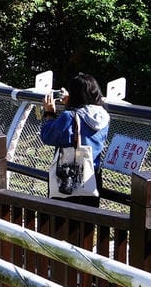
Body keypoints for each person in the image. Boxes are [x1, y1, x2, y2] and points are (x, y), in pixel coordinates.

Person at [40, 73, 110, 207]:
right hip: (92, 175)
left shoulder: (69, 116)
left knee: (63, 220)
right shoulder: (104, 116)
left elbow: (48, 136)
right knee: (87, 218)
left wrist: (49, 114)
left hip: (69, 175)